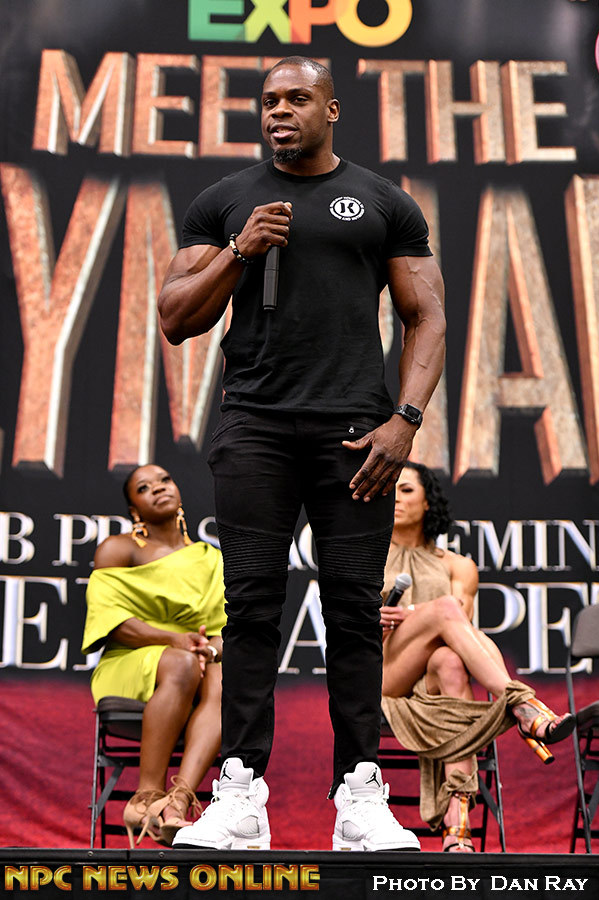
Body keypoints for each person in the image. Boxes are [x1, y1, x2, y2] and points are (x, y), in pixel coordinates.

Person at [158, 55, 446, 852]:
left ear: (332, 109)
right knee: (251, 605)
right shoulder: (226, 202)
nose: (278, 112)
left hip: (355, 433)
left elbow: (426, 316)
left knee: (352, 611)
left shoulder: (383, 202)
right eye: (268, 102)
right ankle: (239, 794)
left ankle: (360, 797)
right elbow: (176, 318)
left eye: (295, 99)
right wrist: (239, 250)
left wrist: (404, 421)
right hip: (255, 425)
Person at [380, 462, 575, 852]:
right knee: (445, 609)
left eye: (406, 490)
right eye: (391, 490)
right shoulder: (367, 557)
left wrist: (414, 614)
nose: (396, 498)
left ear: (428, 502)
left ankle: (458, 821)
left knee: (451, 661)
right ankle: (523, 706)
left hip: (433, 674)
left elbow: (459, 624)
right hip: (382, 671)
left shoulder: (458, 565)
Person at [81, 464, 226, 848]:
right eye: (144, 488)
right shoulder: (119, 549)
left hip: (195, 665)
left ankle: (177, 802)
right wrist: (175, 641)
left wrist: (208, 648)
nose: (158, 489)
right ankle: (145, 797)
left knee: (225, 675)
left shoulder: (209, 558)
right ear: (134, 509)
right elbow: (112, 622)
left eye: (164, 480)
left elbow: (223, 629)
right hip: (131, 662)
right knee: (182, 663)